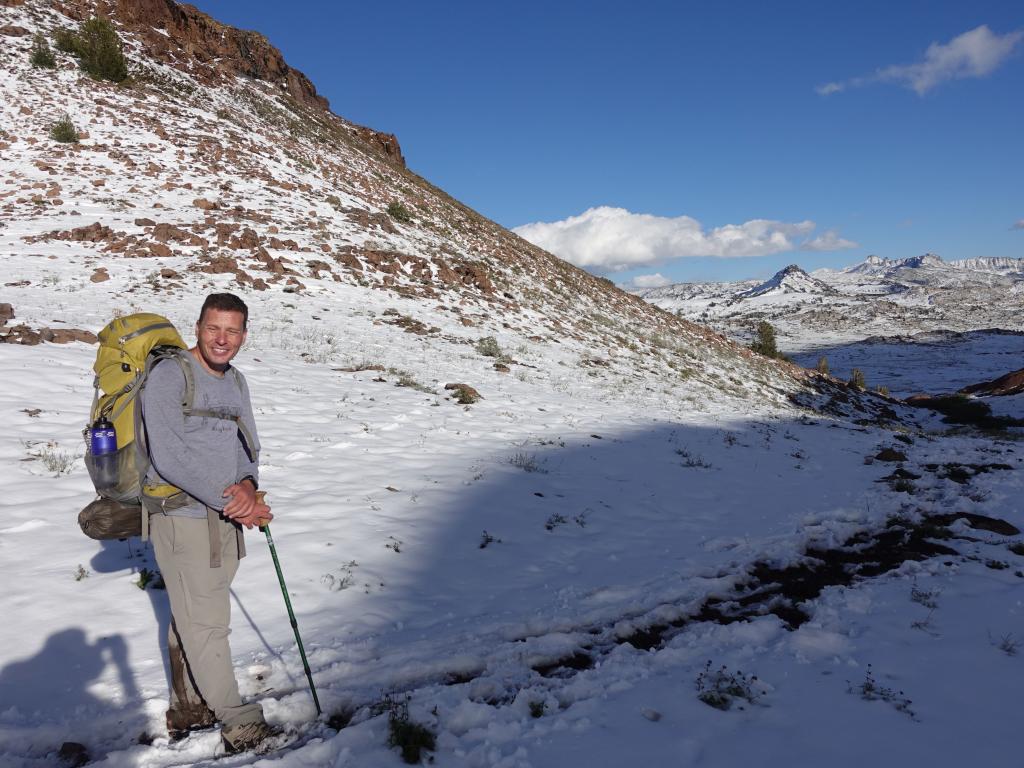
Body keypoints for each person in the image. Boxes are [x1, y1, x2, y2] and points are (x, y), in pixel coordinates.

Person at [140, 292, 277, 754]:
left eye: (233, 330)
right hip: (182, 517)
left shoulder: (236, 380)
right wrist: (235, 501)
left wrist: (246, 485)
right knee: (208, 625)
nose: (223, 339)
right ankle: (239, 722)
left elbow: (246, 443)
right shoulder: (169, 376)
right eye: (214, 328)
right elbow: (170, 456)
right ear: (197, 327)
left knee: (194, 615)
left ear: (244, 333)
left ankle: (191, 705)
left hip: (224, 516)